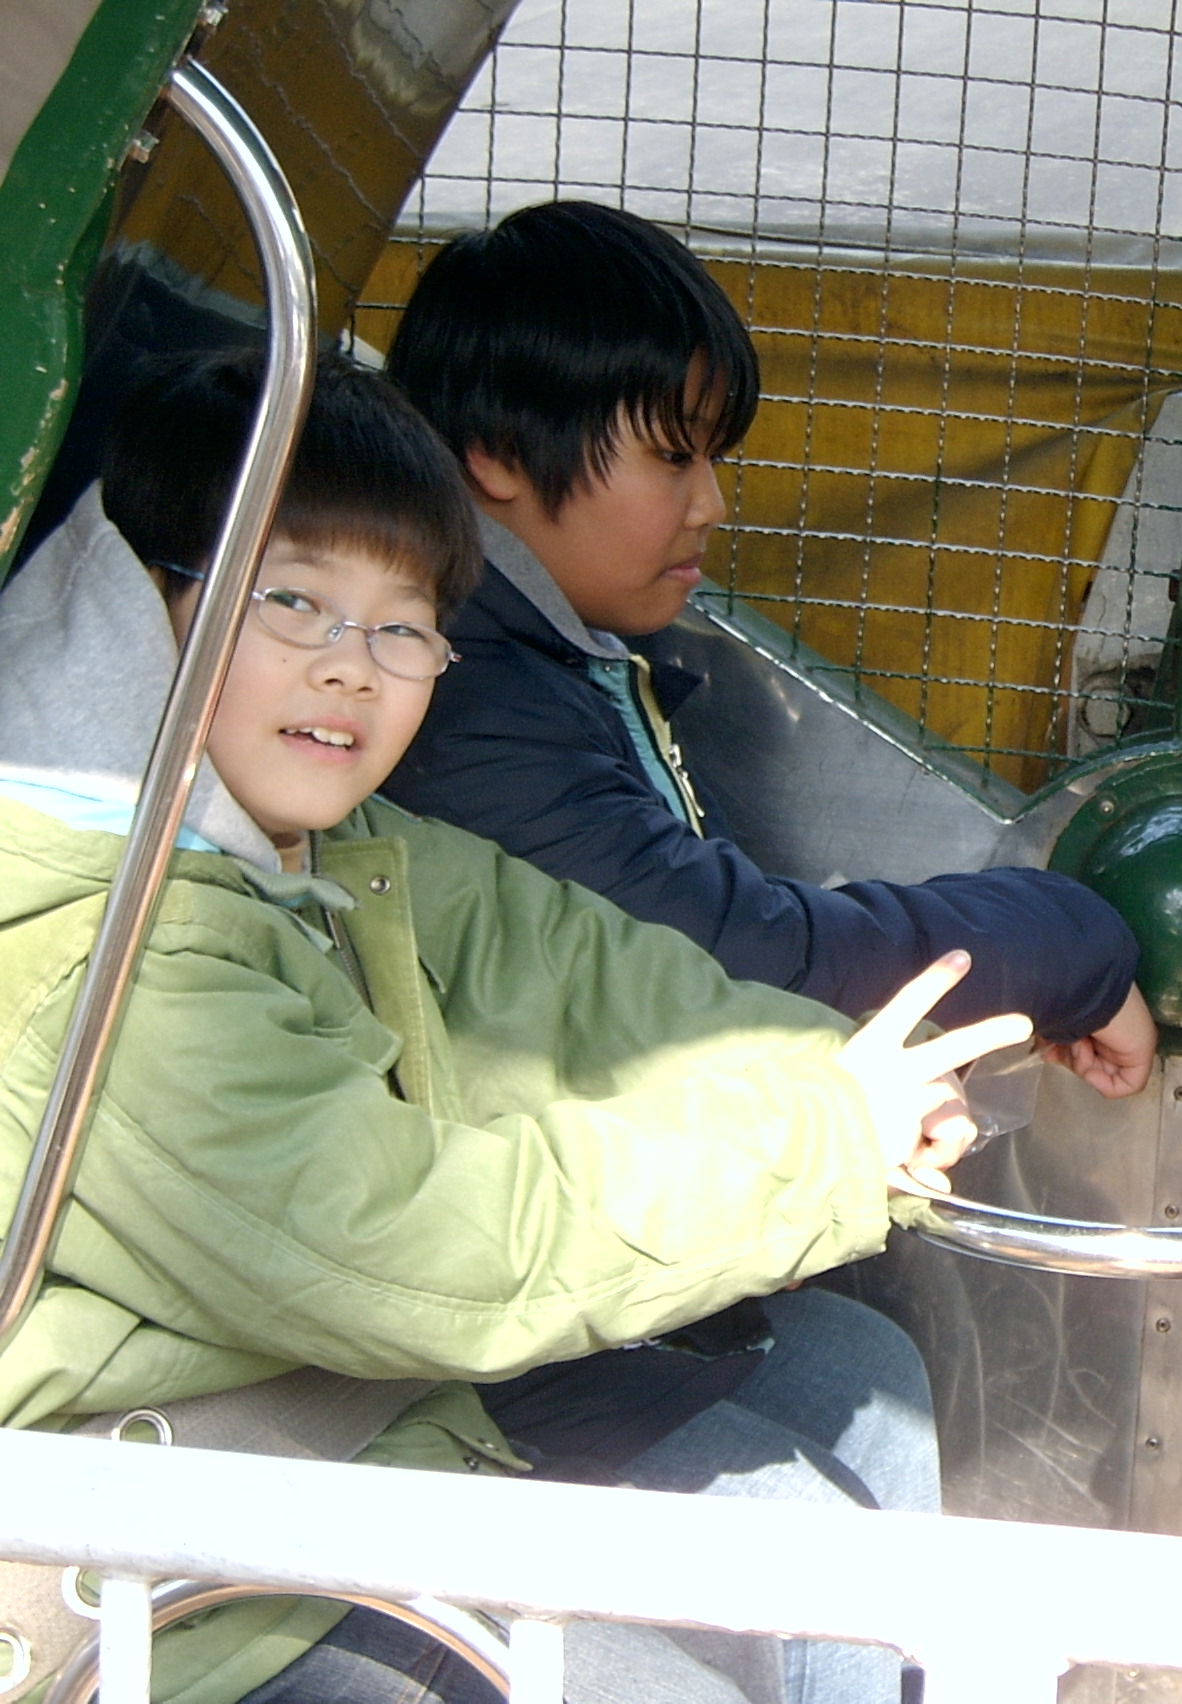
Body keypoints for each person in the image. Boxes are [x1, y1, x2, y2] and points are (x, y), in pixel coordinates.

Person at [0, 349, 1026, 1703]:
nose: (351, 670)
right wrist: (822, 1142)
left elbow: (575, 975)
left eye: (403, 627)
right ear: (149, 601)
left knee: (848, 1393)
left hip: (334, 1445)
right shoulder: (108, 944)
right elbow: (411, 1249)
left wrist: (838, 1073)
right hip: (147, 1571)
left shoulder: (320, 845)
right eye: (292, 602)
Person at [378, 199, 1154, 1095]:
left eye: (714, 460)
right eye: (674, 456)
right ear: (500, 452)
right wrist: (1066, 945)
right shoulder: (460, 695)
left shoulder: (545, 656)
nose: (711, 505)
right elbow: (736, 959)